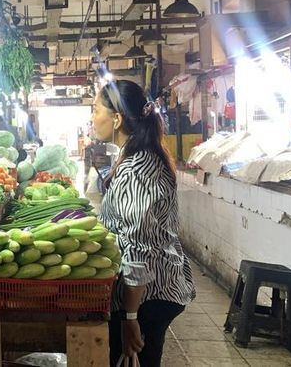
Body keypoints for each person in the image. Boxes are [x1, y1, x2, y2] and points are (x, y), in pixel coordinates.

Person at [91, 80, 195, 367]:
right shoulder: (137, 157)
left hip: (148, 297)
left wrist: (130, 317)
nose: (92, 117)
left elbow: (139, 247)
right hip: (151, 290)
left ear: (116, 119)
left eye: (96, 109)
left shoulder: (137, 171)